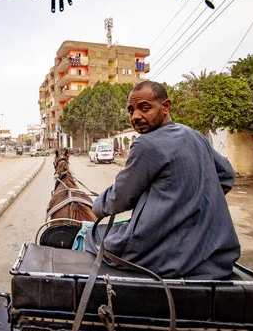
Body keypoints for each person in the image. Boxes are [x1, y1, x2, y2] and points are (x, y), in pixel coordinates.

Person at [84, 81, 240, 280]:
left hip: (166, 256)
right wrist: (192, 205)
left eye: (145, 108)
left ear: (165, 107)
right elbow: (226, 175)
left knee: (91, 236)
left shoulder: (146, 144)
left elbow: (119, 198)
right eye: (131, 110)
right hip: (214, 254)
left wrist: (95, 207)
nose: (135, 116)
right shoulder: (195, 136)